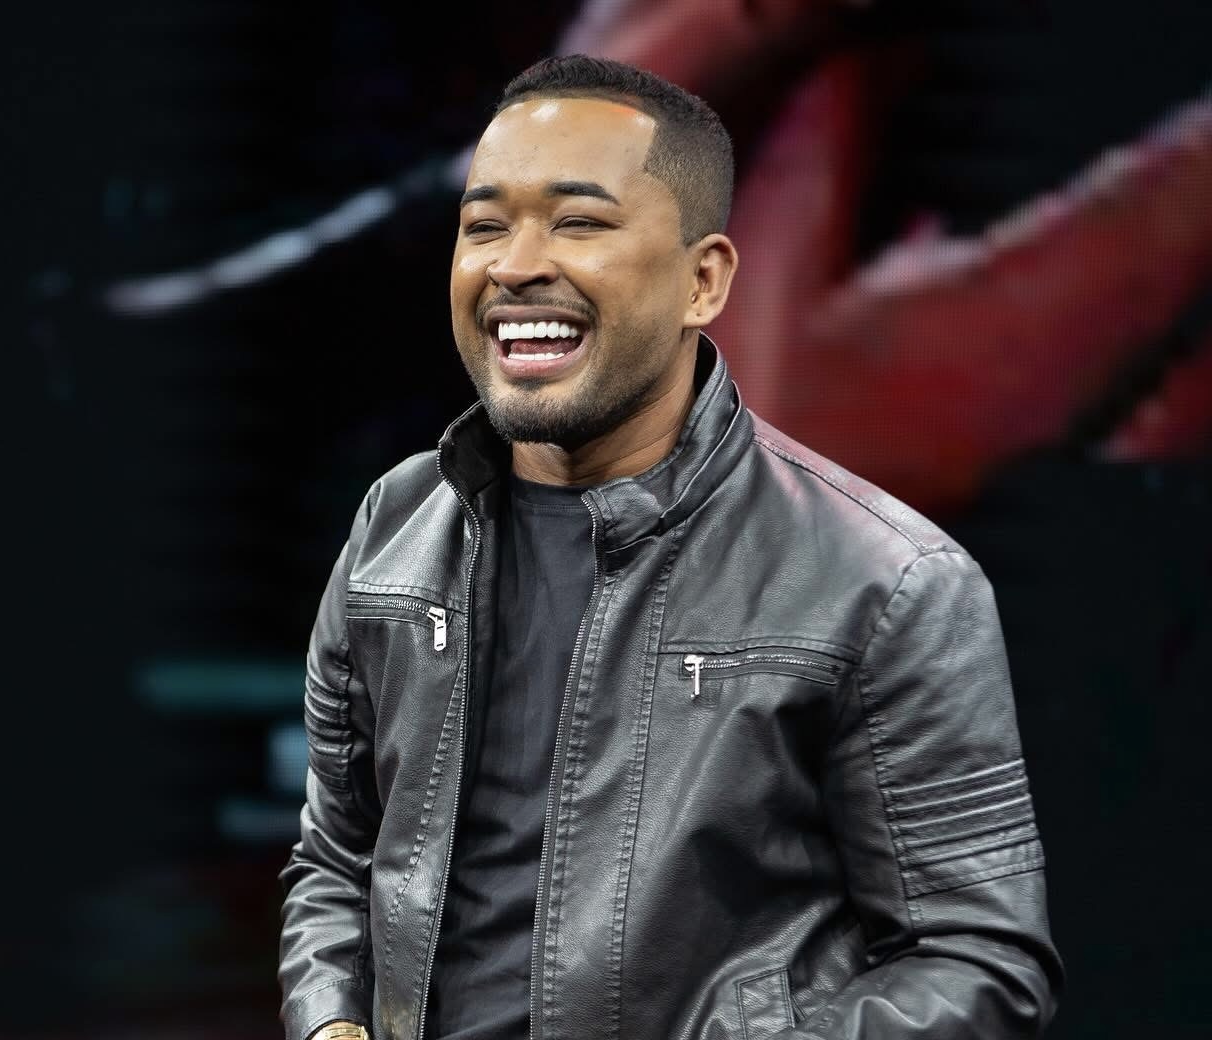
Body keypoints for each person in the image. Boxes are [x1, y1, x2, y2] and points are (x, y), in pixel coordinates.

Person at [277, 54, 1061, 1040]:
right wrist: (330, 1022)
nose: (515, 264)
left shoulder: (889, 581)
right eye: (484, 225)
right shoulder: (393, 530)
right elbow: (337, 862)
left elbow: (981, 963)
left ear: (704, 280)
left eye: (579, 222)